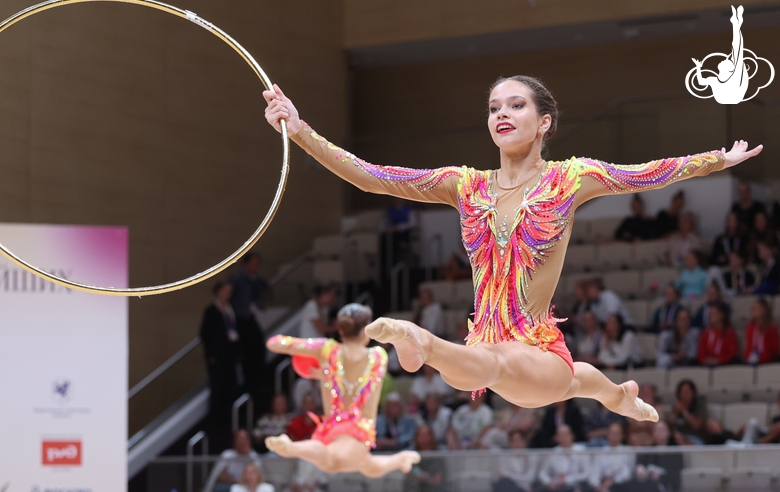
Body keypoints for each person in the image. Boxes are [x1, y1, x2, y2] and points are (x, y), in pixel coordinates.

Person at [263, 76, 760, 426]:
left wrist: (720, 159)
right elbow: (374, 177)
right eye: (494, 107)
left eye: (516, 105)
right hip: (486, 347)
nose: (502, 113)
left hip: (535, 349)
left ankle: (422, 342)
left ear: (545, 122)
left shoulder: (570, 178)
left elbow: (648, 172)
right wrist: (300, 129)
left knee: (516, 369)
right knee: (549, 378)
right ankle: (621, 398)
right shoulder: (464, 185)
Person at [264, 304, 420, 477]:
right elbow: (356, 376)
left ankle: (399, 460)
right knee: (332, 462)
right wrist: (326, 373)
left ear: (340, 329)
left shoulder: (327, 349)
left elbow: (274, 343)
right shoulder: (378, 356)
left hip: (333, 428)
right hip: (358, 430)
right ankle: (291, 448)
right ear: (366, 330)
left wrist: (321, 367)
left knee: (367, 466)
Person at [230, 253, 270, 412]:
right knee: (249, 350)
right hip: (240, 319)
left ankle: (257, 380)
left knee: (259, 347)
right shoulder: (238, 279)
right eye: (253, 264)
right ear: (245, 264)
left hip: (249, 316)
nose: (256, 267)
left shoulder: (254, 280)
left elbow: (264, 288)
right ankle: (250, 382)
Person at [201, 281, 242, 428]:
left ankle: (229, 420)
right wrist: (210, 355)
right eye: (226, 291)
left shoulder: (230, 310)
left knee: (231, 387)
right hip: (217, 357)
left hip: (229, 355)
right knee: (218, 387)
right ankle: (215, 422)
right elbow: (205, 334)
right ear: (219, 292)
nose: (228, 294)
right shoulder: (212, 311)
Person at [692, 6, 749, 104]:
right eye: (728, 60)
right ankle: (736, 23)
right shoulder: (715, 80)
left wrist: (736, 26)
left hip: (732, 96)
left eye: (727, 61)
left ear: (728, 69)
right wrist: (698, 67)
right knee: (737, 52)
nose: (725, 59)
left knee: (737, 51)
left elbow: (737, 48)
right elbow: (701, 82)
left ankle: (736, 23)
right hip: (728, 97)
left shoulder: (733, 77)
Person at [537, 425, 590, 492]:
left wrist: (567, 479)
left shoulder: (581, 451)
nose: (563, 438)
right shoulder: (553, 453)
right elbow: (542, 473)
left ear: (572, 436)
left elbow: (586, 473)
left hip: (576, 484)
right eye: (560, 435)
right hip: (557, 486)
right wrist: (549, 482)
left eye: (565, 434)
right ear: (556, 438)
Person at [633, 421, 683, 492]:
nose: (658, 433)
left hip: (665, 486)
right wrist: (639, 467)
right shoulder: (649, 451)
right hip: (646, 484)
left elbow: (676, 475)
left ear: (668, 432)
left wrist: (661, 476)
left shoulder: (675, 452)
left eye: (661, 430)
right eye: (656, 430)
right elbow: (641, 464)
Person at [589, 423, 635, 492]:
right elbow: (595, 472)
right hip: (602, 484)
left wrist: (613, 481)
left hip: (620, 484)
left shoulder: (628, 451)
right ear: (607, 435)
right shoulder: (601, 452)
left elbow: (627, 473)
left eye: (617, 433)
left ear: (622, 435)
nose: (614, 436)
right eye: (612, 433)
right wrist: (597, 485)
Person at [406, 425, 446, 492]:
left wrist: (424, 478)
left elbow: (437, 480)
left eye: (425, 434)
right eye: (420, 435)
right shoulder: (413, 455)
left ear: (431, 436)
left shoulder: (437, 455)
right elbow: (408, 478)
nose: (423, 438)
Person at [670, 380, 708, 445]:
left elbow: (697, 426)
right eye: (682, 392)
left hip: (696, 437)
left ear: (693, 393)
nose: (685, 395)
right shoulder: (676, 406)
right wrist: (676, 413)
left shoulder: (699, 405)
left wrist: (684, 412)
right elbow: (670, 426)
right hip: (679, 437)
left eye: (687, 392)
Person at [743, 298, 780, 364]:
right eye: (752, 308)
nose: (753, 310)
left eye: (756, 308)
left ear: (764, 310)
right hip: (751, 360)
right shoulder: (750, 327)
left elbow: (775, 349)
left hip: (768, 362)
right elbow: (749, 346)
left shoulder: (772, 328)